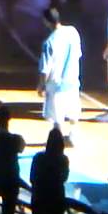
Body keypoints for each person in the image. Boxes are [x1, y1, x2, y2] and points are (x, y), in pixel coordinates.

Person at [38, 7, 83, 142]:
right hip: (73, 81)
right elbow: (78, 54)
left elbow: (45, 69)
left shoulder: (49, 43)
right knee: (73, 113)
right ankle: (73, 136)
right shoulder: (73, 32)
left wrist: (41, 86)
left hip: (56, 86)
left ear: (47, 22)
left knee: (57, 119)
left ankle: (57, 142)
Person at [29, 127, 70, 214]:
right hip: (56, 201)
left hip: (39, 199)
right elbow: (64, 178)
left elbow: (32, 178)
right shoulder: (63, 160)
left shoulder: (38, 158)